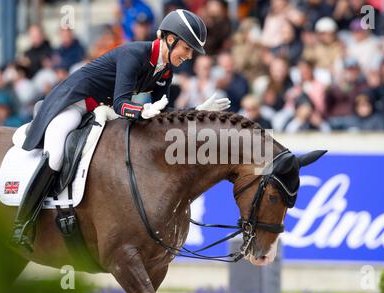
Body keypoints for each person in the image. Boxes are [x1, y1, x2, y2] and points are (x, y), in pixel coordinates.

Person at [12, 9, 231, 250]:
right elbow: (121, 103)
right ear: (170, 40)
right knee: (55, 155)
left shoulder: (165, 70)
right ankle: (22, 224)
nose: (189, 56)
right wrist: (141, 111)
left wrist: (197, 112)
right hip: (75, 103)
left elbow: (164, 113)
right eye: (187, 49)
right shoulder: (134, 54)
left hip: (100, 110)